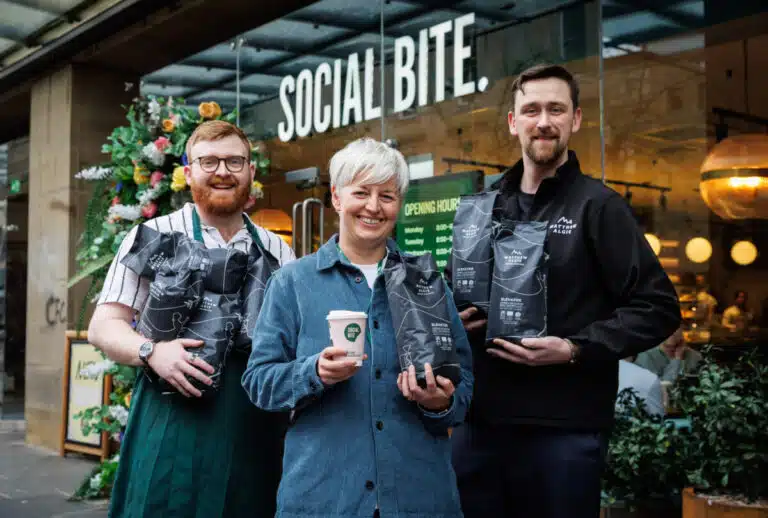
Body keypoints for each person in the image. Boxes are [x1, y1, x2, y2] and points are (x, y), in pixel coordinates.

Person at [447, 64, 681, 518]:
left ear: (575, 119)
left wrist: (575, 348)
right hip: (480, 429)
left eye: (556, 109)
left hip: (563, 435)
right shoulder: (483, 205)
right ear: (513, 122)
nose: (543, 121)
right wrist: (451, 321)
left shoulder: (599, 206)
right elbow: (456, 295)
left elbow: (659, 308)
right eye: (531, 110)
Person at [242, 138, 474, 518]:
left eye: (387, 195)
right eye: (361, 192)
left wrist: (440, 401)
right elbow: (259, 383)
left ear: (400, 203)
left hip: (420, 497)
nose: (373, 206)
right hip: (324, 498)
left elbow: (463, 383)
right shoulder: (293, 283)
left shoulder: (427, 283)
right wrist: (313, 371)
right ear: (336, 197)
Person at [88, 120, 295, 518]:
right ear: (188, 172)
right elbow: (103, 326)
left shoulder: (279, 251)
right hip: (170, 419)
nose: (223, 171)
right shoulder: (152, 235)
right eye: (209, 161)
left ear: (251, 172)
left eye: (235, 162)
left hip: (252, 426)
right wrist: (152, 351)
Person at [635, 327, 702, 383]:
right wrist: (677, 359)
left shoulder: (695, 357)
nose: (672, 350)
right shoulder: (646, 356)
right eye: (667, 347)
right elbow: (664, 387)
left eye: (675, 346)